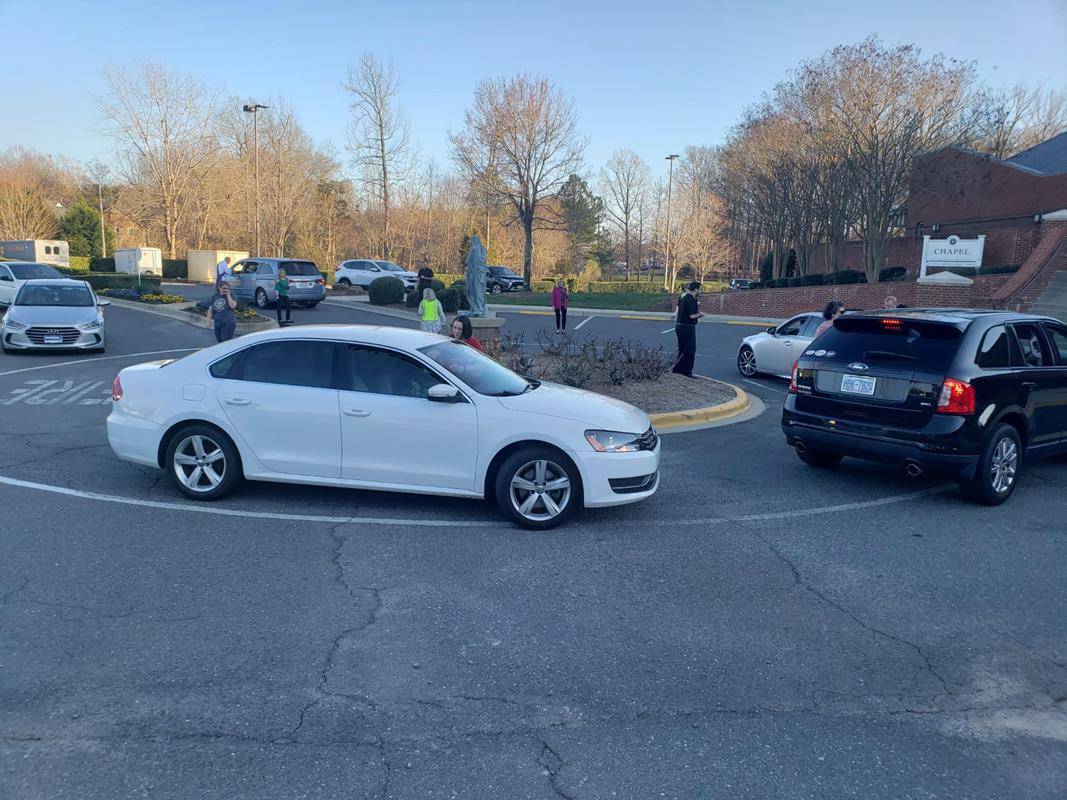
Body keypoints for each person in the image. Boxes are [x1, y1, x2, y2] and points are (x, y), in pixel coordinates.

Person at [672, 282, 705, 377]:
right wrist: (701, 315)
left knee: (682, 349)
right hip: (687, 327)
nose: (700, 291)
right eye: (699, 289)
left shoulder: (683, 297)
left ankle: (677, 369)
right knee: (690, 350)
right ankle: (687, 371)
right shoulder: (691, 299)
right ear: (695, 290)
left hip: (679, 326)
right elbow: (691, 316)